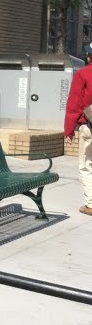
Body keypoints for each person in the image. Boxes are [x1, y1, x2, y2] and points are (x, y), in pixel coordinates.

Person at [64, 46, 92, 215]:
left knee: (86, 165)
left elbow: (74, 104)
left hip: (89, 127)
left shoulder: (83, 74)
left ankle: (90, 203)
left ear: (89, 57)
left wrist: (69, 130)